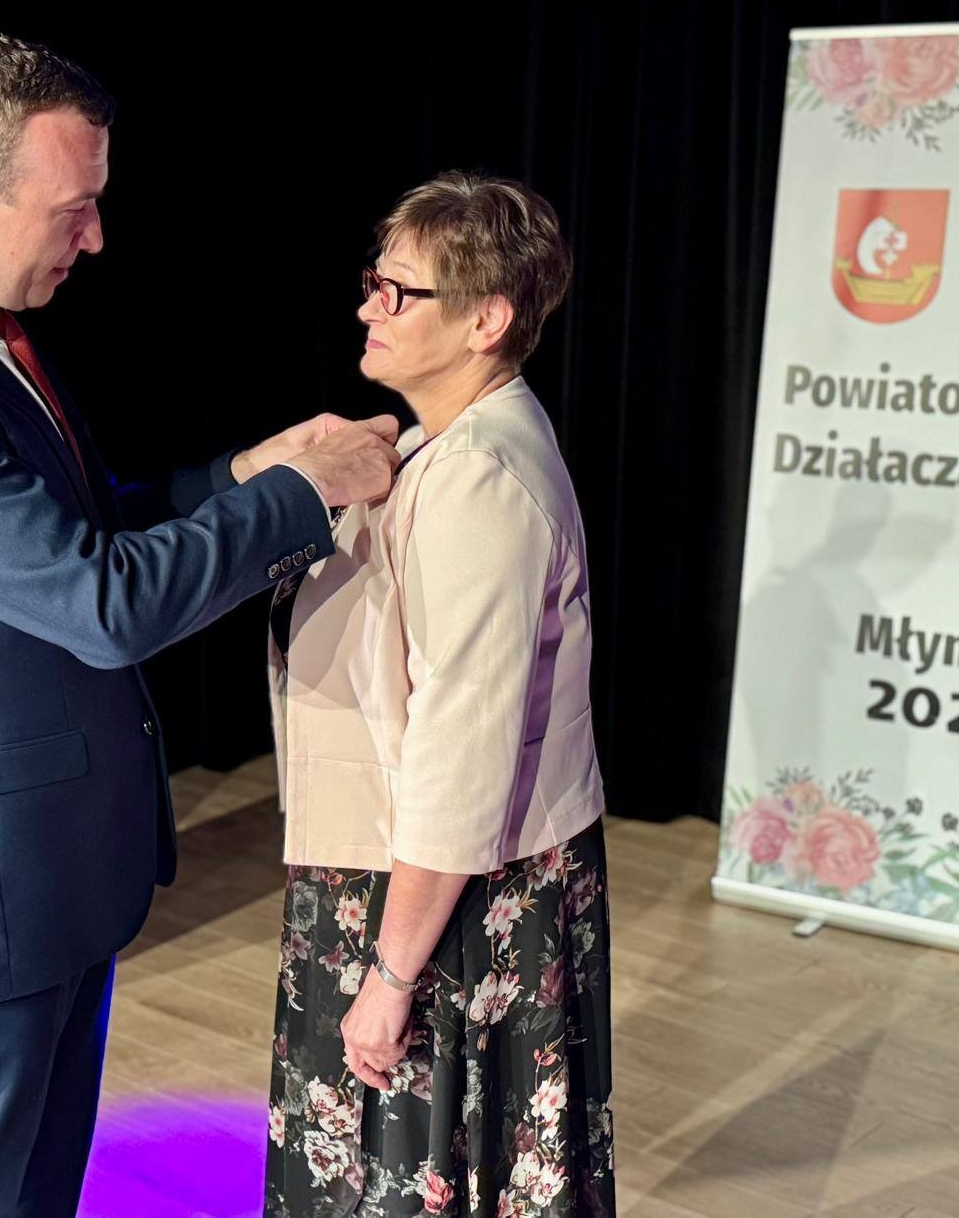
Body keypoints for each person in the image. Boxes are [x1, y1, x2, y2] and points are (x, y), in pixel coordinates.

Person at [0, 32, 399, 1217]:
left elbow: (92, 522)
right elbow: (102, 601)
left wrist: (248, 470)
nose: (97, 236)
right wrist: (303, 495)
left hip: (46, 875)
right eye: (74, 209)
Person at [266, 173, 614, 1216]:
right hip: (415, 879)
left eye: (398, 290)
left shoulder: (478, 479)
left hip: (442, 904)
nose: (367, 306)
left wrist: (390, 975)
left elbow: (464, 750)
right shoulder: (442, 445)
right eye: (372, 281)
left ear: (486, 320)